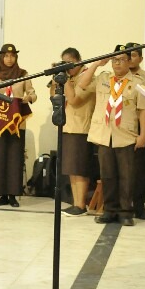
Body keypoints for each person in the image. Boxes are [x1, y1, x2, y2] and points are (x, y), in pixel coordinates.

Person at [76, 45, 145, 226]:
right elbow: (82, 84)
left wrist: (143, 135)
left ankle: (125, 212)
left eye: (122, 59)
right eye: (115, 60)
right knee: (107, 174)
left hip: (125, 135)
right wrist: (96, 64)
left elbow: (143, 111)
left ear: (129, 62)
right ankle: (109, 210)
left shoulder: (138, 83)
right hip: (104, 134)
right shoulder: (102, 78)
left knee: (126, 176)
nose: (118, 63)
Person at [0, 44, 36, 208]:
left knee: (15, 158)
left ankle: (13, 195)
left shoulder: (22, 74)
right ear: (1, 57)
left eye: (12, 56)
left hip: (17, 124)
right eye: (6, 56)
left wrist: (29, 98)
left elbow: (32, 93)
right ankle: (2, 195)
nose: (9, 59)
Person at [53, 47, 96, 217]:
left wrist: (66, 82)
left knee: (80, 168)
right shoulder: (68, 78)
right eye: (64, 63)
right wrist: (56, 78)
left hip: (81, 128)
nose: (68, 67)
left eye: (70, 63)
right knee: (71, 168)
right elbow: (54, 97)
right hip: (67, 126)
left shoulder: (87, 77)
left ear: (79, 61)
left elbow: (74, 100)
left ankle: (81, 204)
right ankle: (76, 203)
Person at [125, 42, 145, 219]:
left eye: (134, 55)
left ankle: (139, 205)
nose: (130, 59)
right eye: (127, 55)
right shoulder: (116, 76)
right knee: (123, 168)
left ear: (141, 58)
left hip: (141, 125)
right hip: (122, 126)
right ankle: (123, 205)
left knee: (141, 169)